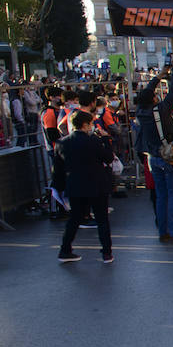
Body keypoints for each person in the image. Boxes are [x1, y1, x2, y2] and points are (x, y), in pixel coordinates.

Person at [133, 56, 173, 243]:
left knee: (161, 196)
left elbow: (147, 93)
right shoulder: (161, 109)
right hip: (170, 156)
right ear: (154, 98)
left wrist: (158, 77)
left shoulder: (140, 112)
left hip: (153, 158)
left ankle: (163, 232)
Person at [56, 111, 116, 264]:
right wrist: (106, 139)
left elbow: (58, 169)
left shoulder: (62, 143)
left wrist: (60, 187)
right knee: (102, 219)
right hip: (96, 184)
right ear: (85, 124)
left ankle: (65, 249)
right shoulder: (94, 141)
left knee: (74, 219)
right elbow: (108, 158)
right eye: (90, 123)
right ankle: (107, 253)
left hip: (75, 185)